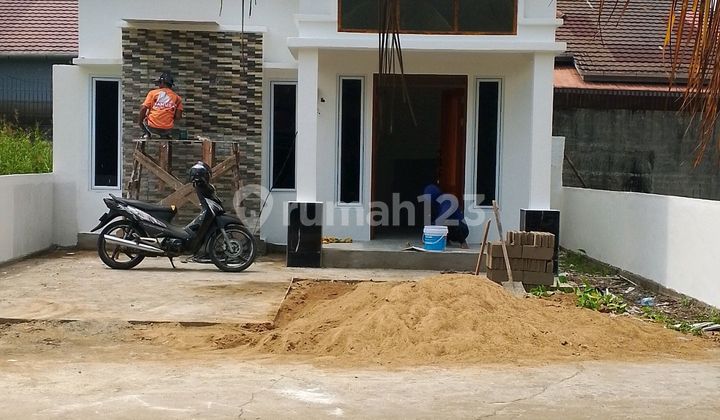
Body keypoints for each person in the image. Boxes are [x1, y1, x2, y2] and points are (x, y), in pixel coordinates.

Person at [423, 179, 470, 249]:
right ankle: (445, 240)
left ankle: (463, 242)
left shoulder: (446, 201)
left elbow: (443, 216)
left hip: (461, 229)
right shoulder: (436, 204)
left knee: (447, 222)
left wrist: (432, 227)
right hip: (450, 228)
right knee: (438, 224)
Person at [138, 72, 183, 139]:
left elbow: (143, 108)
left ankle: (147, 134)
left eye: (159, 83)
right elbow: (178, 117)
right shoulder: (177, 98)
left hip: (152, 127)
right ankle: (165, 136)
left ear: (162, 82)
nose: (158, 85)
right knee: (169, 115)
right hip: (167, 129)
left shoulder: (153, 93)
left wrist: (140, 122)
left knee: (146, 111)